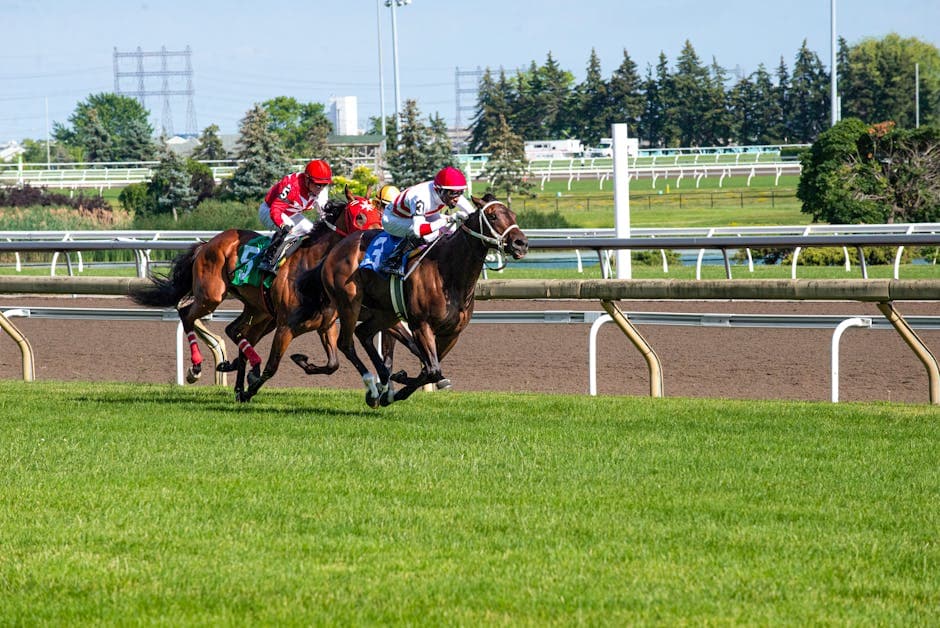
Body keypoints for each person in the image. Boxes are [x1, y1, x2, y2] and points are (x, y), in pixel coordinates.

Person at [380, 166, 474, 276]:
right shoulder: (421, 197)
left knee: (452, 229)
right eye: (453, 193)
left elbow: (472, 213)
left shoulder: (447, 191)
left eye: (460, 192)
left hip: (420, 214)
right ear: (439, 190)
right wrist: (449, 218)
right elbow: (418, 231)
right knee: (431, 234)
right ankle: (391, 261)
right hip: (394, 219)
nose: (457, 198)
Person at [256, 159, 333, 274]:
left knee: (311, 230)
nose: (320, 188)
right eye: (318, 184)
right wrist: (282, 225)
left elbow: (324, 214)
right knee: (289, 227)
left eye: (324, 185)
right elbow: (276, 209)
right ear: (307, 179)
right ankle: (269, 259)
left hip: (291, 214)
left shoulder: (321, 190)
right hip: (269, 210)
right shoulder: (291, 186)